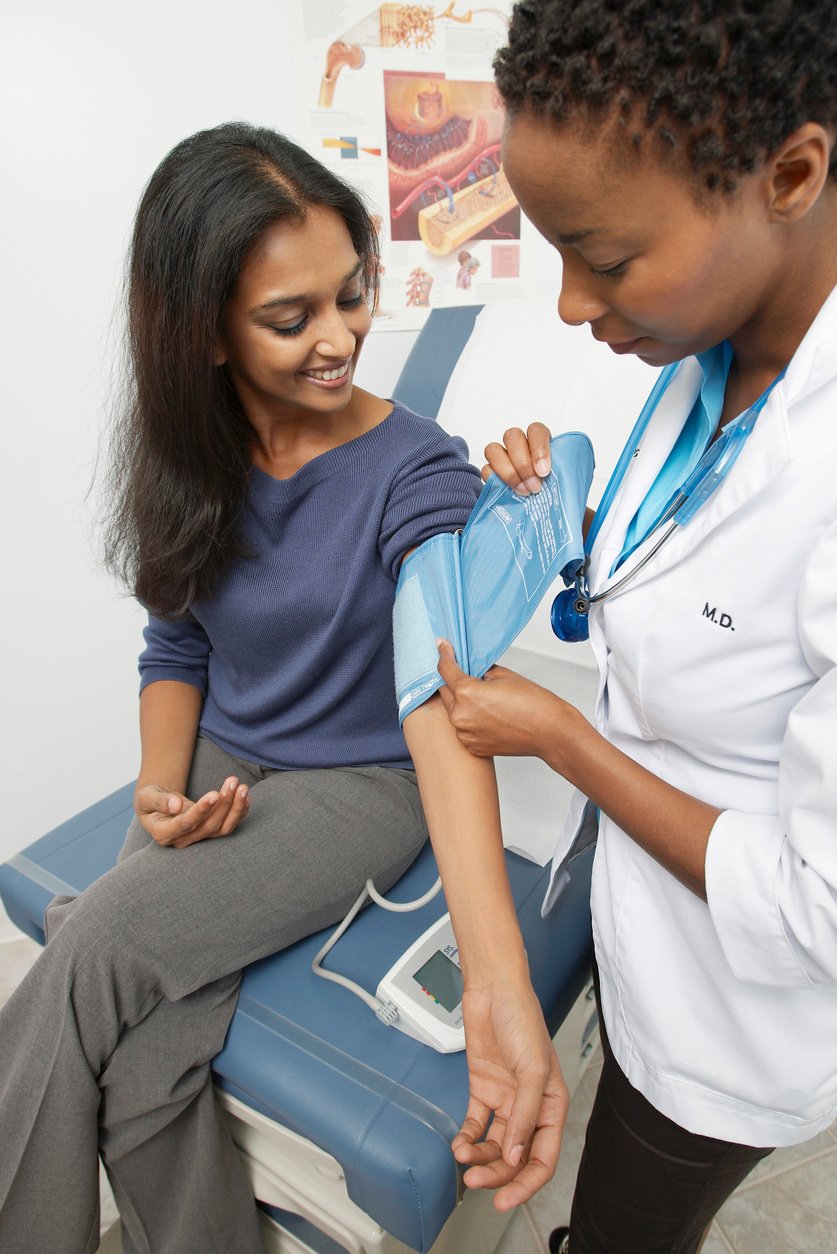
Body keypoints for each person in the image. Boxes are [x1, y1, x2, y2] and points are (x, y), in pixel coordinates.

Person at [0, 122, 489, 1254]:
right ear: (206, 335)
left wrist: (501, 522)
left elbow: (448, 637)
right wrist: (159, 794)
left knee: (95, 943)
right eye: (291, 318)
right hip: (227, 754)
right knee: (147, 1060)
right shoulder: (195, 452)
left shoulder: (418, 470)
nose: (341, 339)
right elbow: (178, 652)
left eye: (351, 296)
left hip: (361, 784)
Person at [410, 2, 837, 1250]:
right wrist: (566, 518)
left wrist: (561, 738)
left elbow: (817, 907)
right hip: (634, 908)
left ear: (792, 173)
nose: (566, 303)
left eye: (600, 255)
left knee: (627, 1221)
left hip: (734, 1022)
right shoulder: (709, 351)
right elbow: (684, 586)